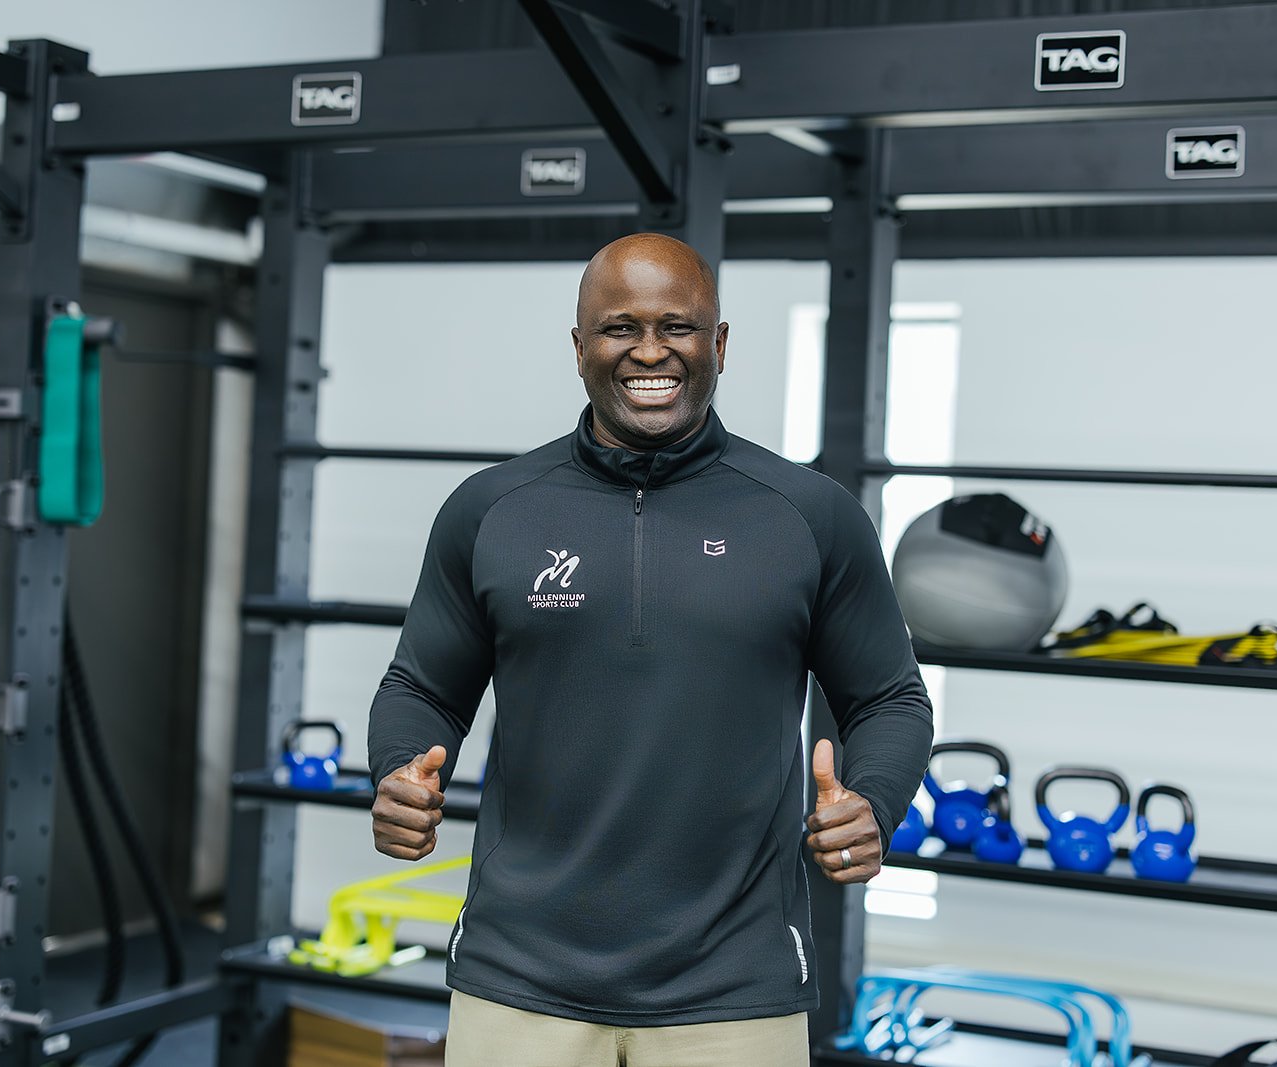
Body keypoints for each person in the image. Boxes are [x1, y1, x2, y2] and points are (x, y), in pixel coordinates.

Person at [367, 233, 934, 1067]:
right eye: (619, 327)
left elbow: (891, 697)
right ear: (579, 346)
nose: (649, 351)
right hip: (518, 976)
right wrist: (396, 770)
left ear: (720, 343)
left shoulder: (809, 516)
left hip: (736, 985)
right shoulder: (492, 510)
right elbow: (422, 684)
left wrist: (874, 801)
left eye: (678, 325)